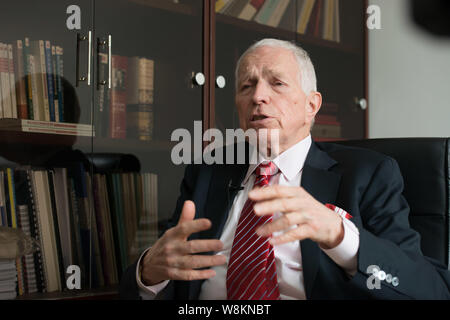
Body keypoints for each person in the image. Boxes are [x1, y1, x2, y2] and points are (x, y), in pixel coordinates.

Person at [119, 38, 450, 300]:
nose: (258, 96)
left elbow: (429, 288)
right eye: (246, 87)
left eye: (277, 83)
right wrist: (149, 271)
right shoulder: (208, 169)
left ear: (311, 105)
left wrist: (339, 234)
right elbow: (166, 271)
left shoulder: (368, 174)